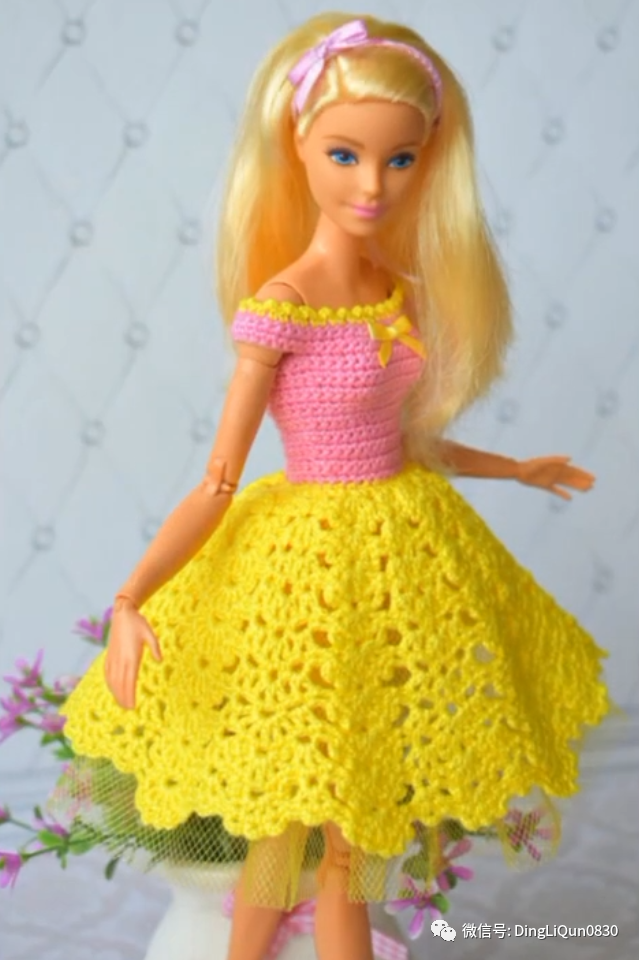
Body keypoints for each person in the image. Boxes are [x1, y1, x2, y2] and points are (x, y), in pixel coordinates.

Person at [57, 14, 610, 960]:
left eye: (399, 160)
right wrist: (131, 598)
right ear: (298, 147)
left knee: (349, 829)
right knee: (293, 826)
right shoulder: (281, 306)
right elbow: (219, 480)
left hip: (400, 554)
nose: (371, 184)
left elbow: (408, 440)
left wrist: (515, 468)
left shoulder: (401, 291)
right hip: (304, 568)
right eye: (345, 155)